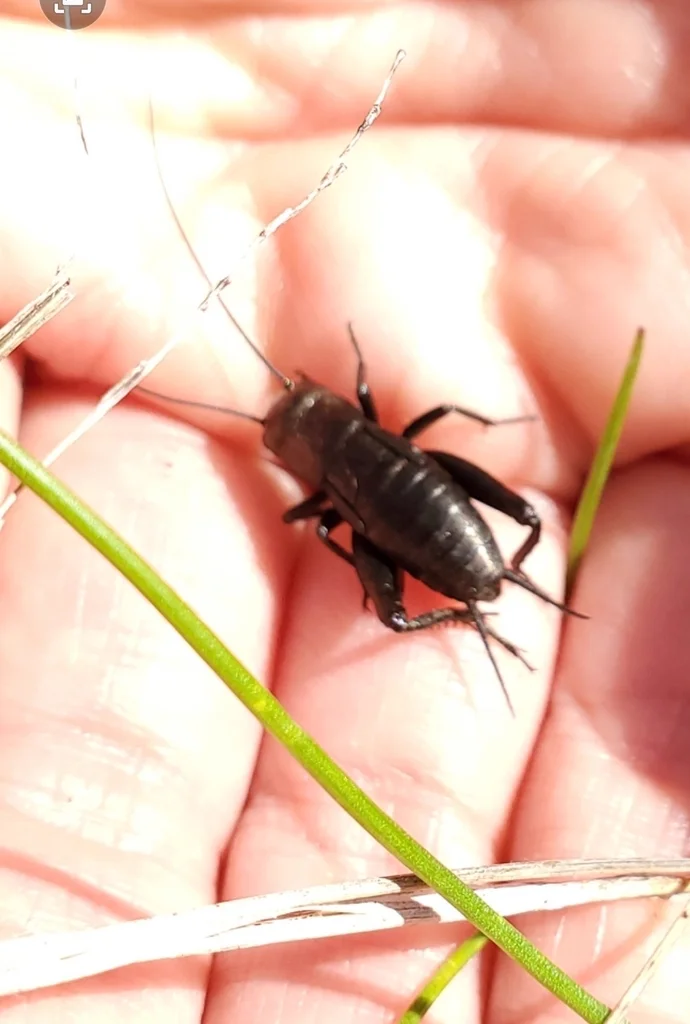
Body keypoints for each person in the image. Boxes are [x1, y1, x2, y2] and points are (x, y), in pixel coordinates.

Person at [0, 3, 688, 1021]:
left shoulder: (325, 497)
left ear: (334, 412)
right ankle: (474, 606)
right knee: (394, 599)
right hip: (411, 497)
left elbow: (328, 506)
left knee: (381, 578)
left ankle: (473, 607)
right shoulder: (351, 443)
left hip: (401, 502)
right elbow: (365, 449)